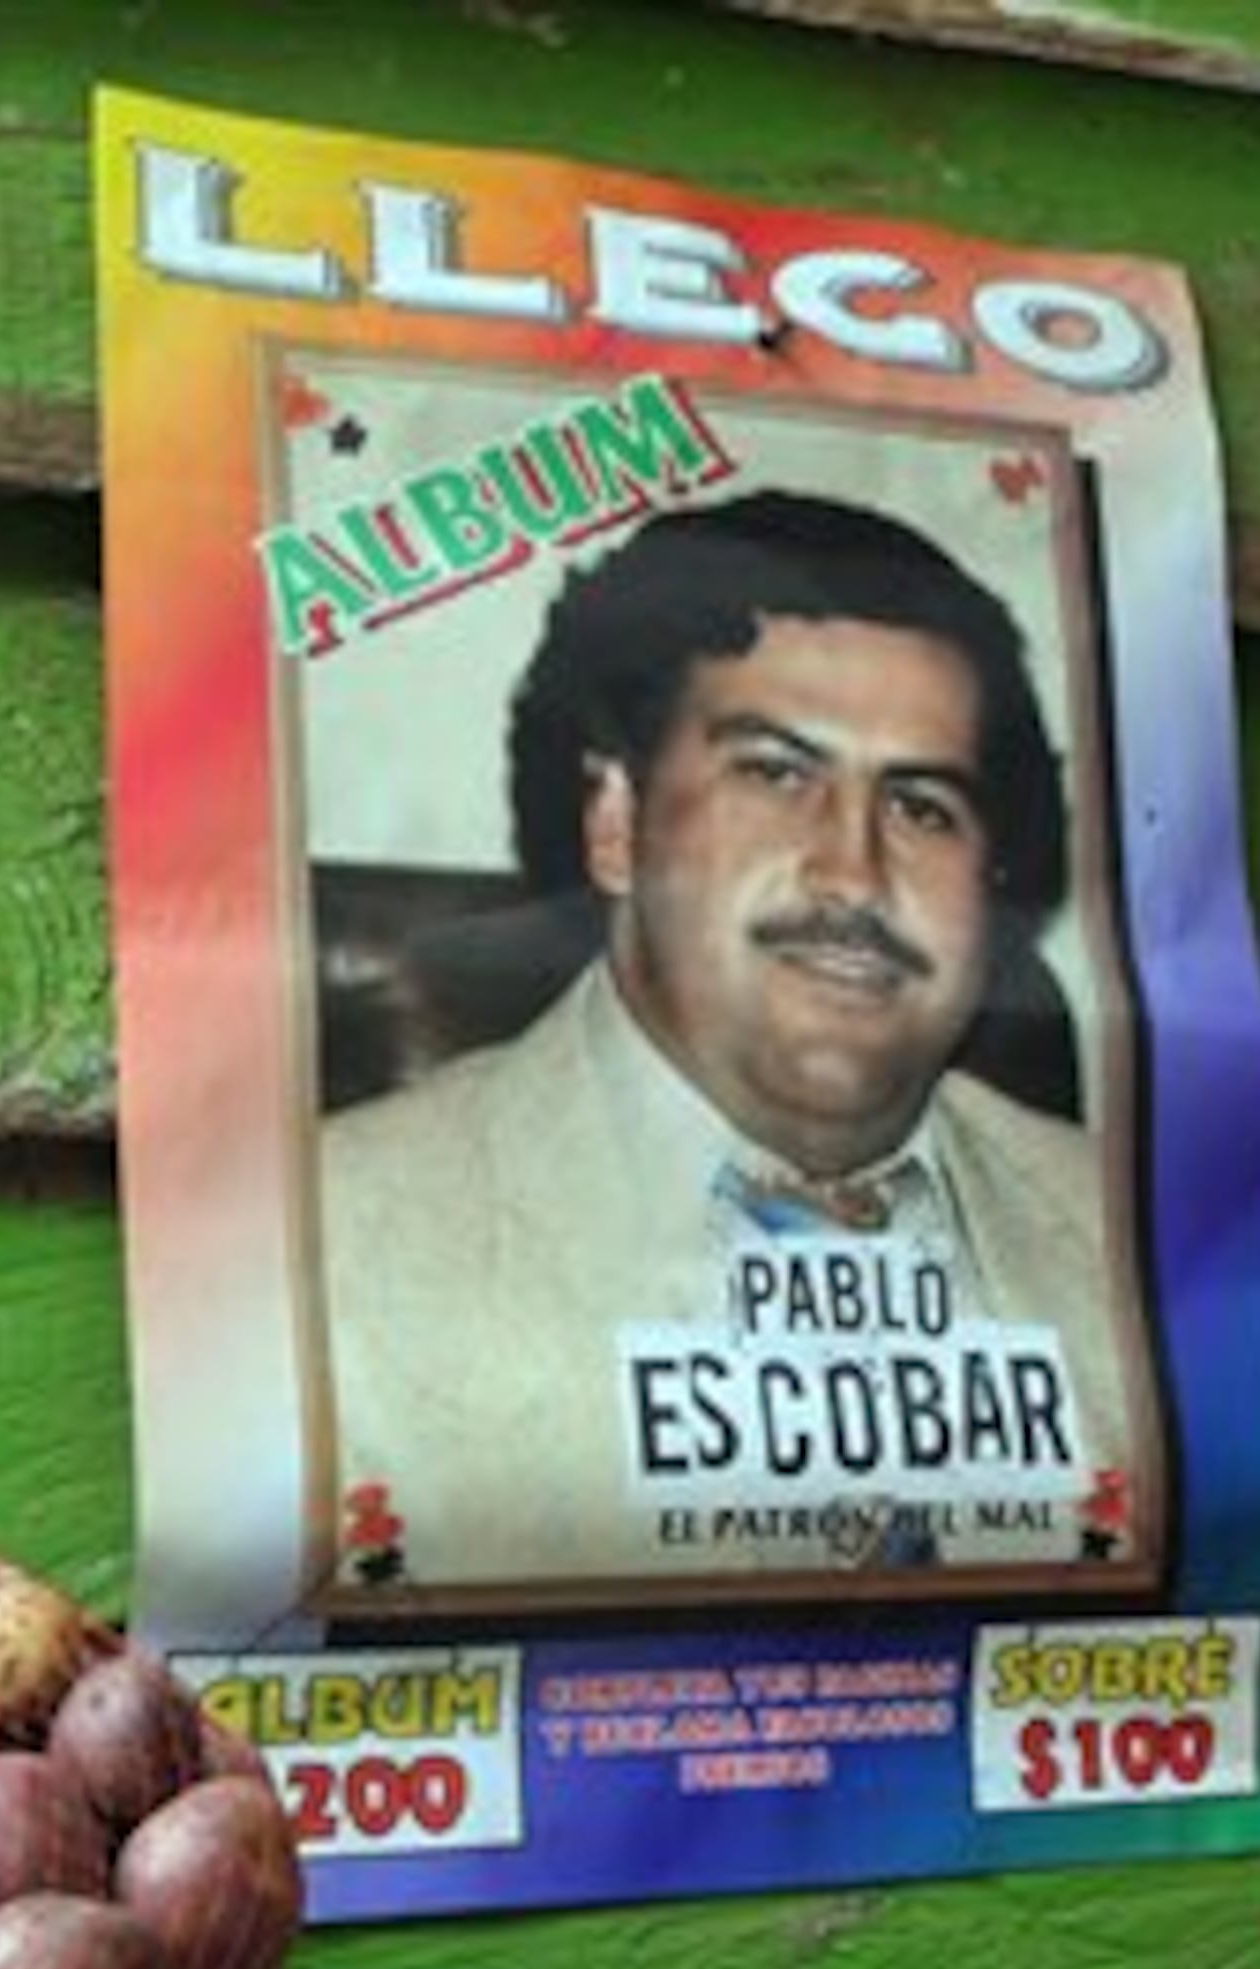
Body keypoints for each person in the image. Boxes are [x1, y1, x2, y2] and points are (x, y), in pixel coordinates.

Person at [313, 489, 1139, 1589]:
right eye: (776, 773)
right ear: (617, 821)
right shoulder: (327, 1243)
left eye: (924, 805)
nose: (853, 874)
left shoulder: (1133, 1242)